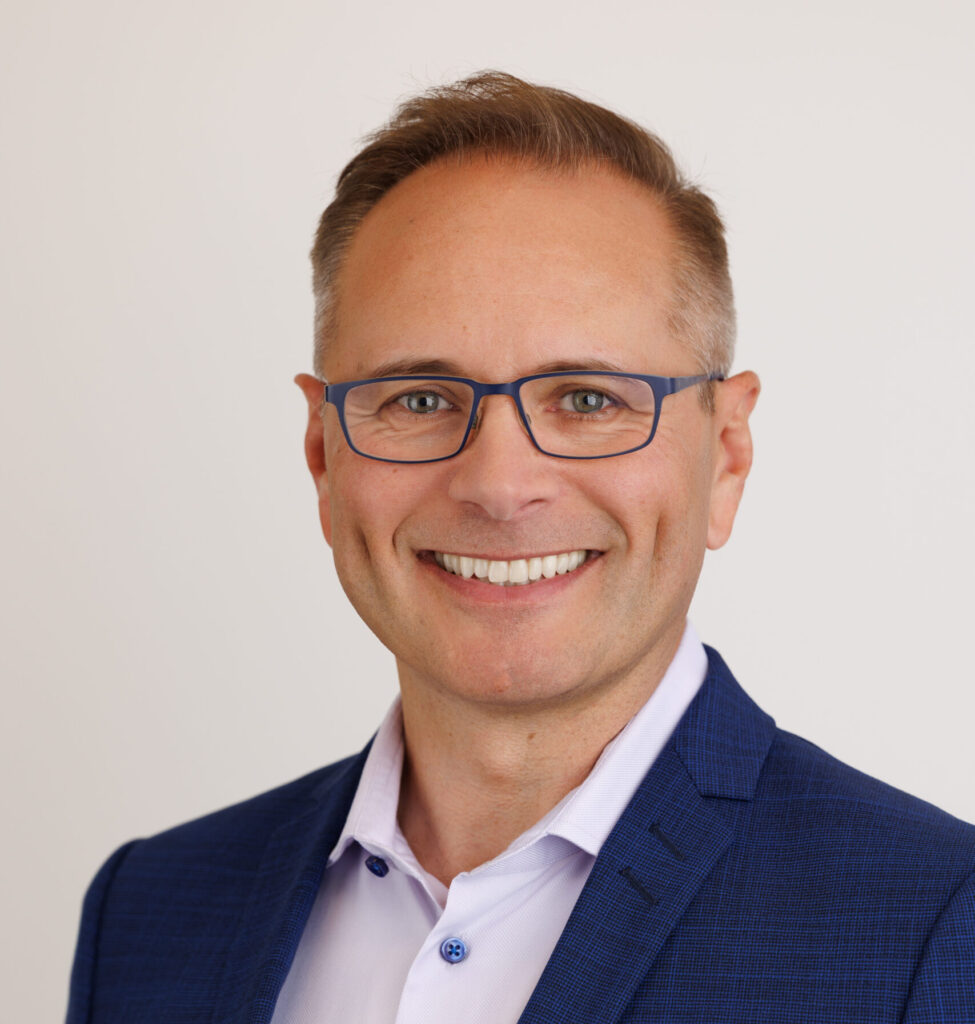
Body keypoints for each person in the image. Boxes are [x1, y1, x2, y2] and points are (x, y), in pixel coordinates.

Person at [66, 71, 975, 1024]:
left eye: (586, 399)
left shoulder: (933, 928)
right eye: (419, 400)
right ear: (322, 456)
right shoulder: (148, 910)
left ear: (727, 457)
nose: (499, 487)